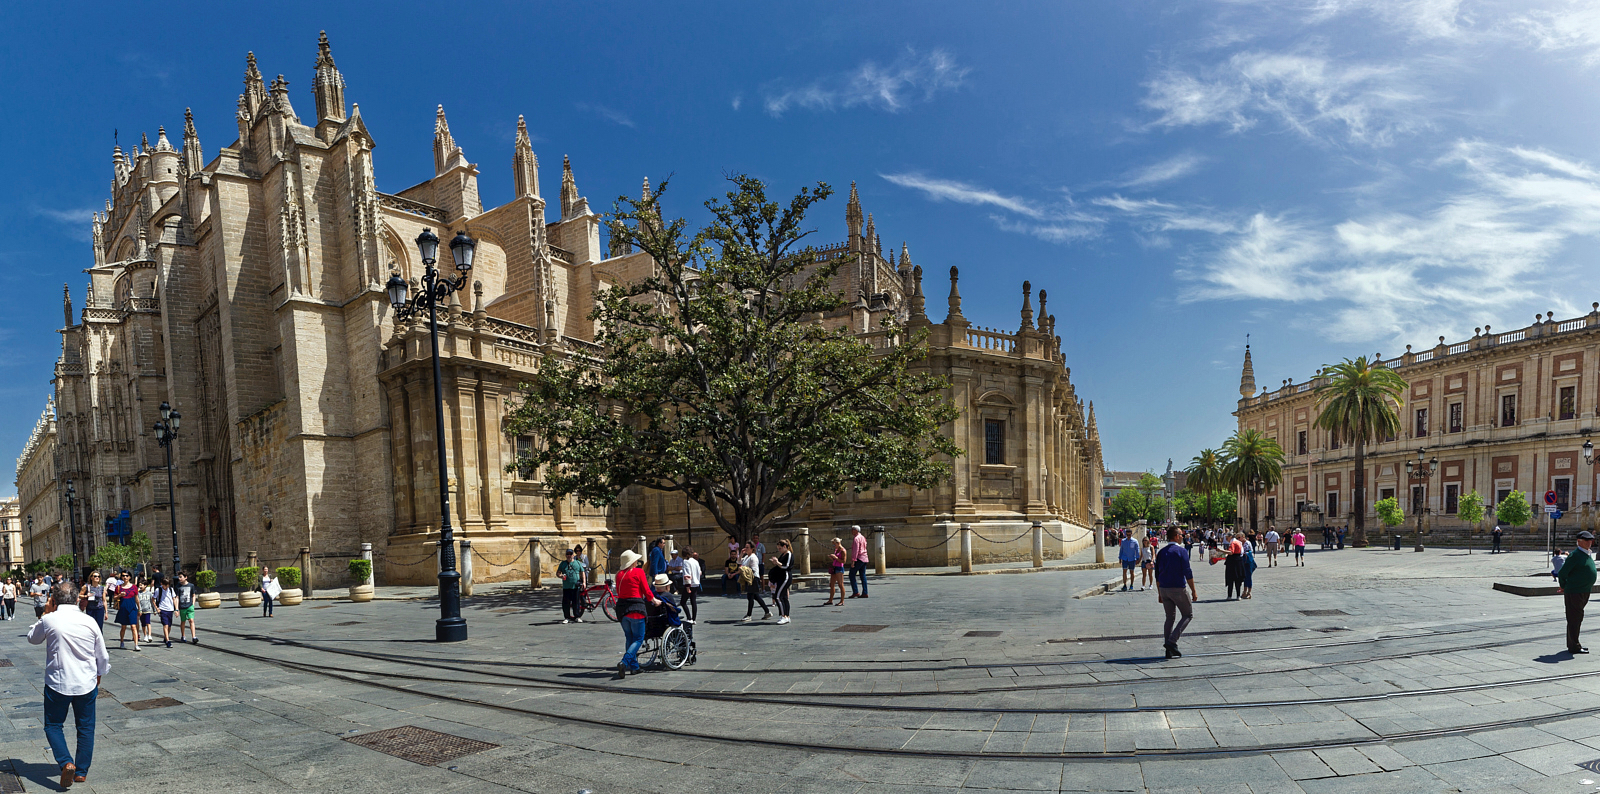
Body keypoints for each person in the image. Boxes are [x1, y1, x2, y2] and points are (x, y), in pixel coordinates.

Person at [29, 579, 109, 789]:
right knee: (85, 727)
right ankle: (81, 772)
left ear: (54, 599)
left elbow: (32, 638)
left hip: (58, 683)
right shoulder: (89, 621)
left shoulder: (50, 620)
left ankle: (66, 762)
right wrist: (100, 673)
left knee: (53, 725)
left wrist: (45, 613)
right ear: (76, 599)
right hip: (86, 681)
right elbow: (102, 653)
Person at [613, 549, 659, 676]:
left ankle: (634, 667)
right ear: (633, 562)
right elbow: (646, 590)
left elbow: (619, 591)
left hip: (622, 610)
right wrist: (654, 600)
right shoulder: (639, 572)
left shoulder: (618, 575)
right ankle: (624, 662)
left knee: (629, 637)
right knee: (638, 638)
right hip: (636, 609)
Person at [1154, 527, 1198, 659]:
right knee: (1188, 614)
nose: (1183, 536)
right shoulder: (1181, 551)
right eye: (1181, 534)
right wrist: (1193, 591)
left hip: (1164, 588)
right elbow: (1187, 572)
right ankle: (1172, 641)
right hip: (1178, 588)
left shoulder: (1161, 552)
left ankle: (1168, 649)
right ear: (1175, 536)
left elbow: (1157, 574)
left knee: (1169, 617)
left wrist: (1159, 593)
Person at [1558, 530, 1597, 655]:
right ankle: (1574, 646)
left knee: (1577, 618)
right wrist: (1564, 586)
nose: (1590, 542)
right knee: (1574, 619)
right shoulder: (1575, 555)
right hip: (1575, 591)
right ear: (1579, 541)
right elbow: (1562, 573)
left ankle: (1574, 644)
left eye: (1591, 540)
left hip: (1584, 590)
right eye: (1587, 540)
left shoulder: (1586, 554)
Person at [740, 542, 771, 622]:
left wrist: (745, 570)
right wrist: (741, 554)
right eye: (745, 547)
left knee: (750, 597)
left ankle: (749, 615)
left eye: (747, 547)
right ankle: (767, 611)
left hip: (753, 578)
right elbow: (739, 562)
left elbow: (754, 569)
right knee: (755, 596)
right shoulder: (747, 556)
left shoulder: (753, 557)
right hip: (749, 579)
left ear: (752, 548)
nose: (745, 549)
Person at [558, 548, 587, 624]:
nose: (569, 556)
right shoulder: (563, 564)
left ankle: (577, 616)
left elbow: (582, 572)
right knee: (566, 603)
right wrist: (561, 576)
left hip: (575, 586)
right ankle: (567, 617)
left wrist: (584, 582)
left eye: (570, 554)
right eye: (567, 554)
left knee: (576, 602)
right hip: (566, 586)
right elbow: (558, 573)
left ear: (573, 555)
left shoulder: (577, 563)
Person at [769, 539, 794, 625]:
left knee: (778, 596)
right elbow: (780, 565)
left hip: (785, 577)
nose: (779, 550)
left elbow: (786, 566)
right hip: (781, 577)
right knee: (783, 597)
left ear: (784, 547)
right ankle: (786, 616)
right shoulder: (783, 554)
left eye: (780, 548)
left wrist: (777, 562)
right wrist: (776, 563)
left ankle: (783, 616)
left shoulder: (789, 554)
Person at [113, 576, 140, 652]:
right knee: (123, 627)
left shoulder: (134, 587)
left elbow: (136, 598)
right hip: (123, 609)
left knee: (133, 626)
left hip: (132, 608)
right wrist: (120, 595)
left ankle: (136, 645)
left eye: (127, 576)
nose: (125, 577)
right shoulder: (119, 587)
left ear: (130, 577)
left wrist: (139, 609)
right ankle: (122, 641)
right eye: (123, 576)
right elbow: (114, 597)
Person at [847, 526, 870, 599]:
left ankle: (855, 591)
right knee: (863, 576)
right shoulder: (863, 537)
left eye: (852, 530)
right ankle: (865, 592)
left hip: (859, 558)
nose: (851, 531)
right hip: (865, 557)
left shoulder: (856, 538)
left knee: (851, 574)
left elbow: (855, 551)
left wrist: (853, 561)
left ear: (856, 530)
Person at [679, 547, 701, 625]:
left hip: (690, 583)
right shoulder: (696, 561)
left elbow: (687, 574)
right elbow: (699, 572)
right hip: (696, 583)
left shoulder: (686, 561)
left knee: (683, 602)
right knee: (693, 601)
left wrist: (687, 586)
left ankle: (689, 617)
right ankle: (694, 619)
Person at [154, 577, 178, 648]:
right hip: (163, 609)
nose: (166, 587)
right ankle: (168, 641)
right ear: (162, 584)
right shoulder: (158, 590)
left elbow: (174, 598)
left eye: (168, 585)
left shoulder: (171, 589)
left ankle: (165, 636)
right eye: (165, 585)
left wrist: (176, 609)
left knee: (169, 626)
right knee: (165, 625)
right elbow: (153, 599)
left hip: (170, 609)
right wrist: (157, 608)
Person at [175, 572, 198, 645]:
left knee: (191, 620)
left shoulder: (191, 585)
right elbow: (177, 597)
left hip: (190, 606)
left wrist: (193, 604)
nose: (179, 578)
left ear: (186, 577)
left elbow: (193, 595)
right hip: (182, 607)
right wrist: (177, 608)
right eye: (179, 577)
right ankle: (183, 635)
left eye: (181, 577)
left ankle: (194, 637)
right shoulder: (178, 586)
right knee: (183, 621)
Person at [1223, 532, 1246, 600]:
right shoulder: (1239, 542)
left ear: (1230, 537)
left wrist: (1222, 551)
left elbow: (1231, 552)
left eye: (1227, 538)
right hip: (1239, 561)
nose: (1226, 539)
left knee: (1230, 579)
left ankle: (1229, 596)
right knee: (1238, 579)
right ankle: (1238, 595)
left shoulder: (1233, 543)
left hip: (1232, 562)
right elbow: (1241, 552)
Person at [825, 537, 847, 606]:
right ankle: (830, 600)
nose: (834, 546)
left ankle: (842, 601)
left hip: (839, 568)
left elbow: (843, 561)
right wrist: (833, 558)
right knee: (832, 584)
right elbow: (836, 560)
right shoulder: (836, 550)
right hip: (834, 567)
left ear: (838, 543)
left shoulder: (843, 551)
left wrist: (836, 558)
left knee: (840, 584)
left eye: (834, 544)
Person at [135, 577, 155, 642]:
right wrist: (138, 609)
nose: (140, 586)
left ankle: (149, 635)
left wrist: (154, 610)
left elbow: (152, 602)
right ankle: (145, 635)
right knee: (143, 624)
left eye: (141, 585)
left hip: (147, 610)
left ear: (145, 585)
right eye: (139, 585)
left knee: (148, 623)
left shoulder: (149, 593)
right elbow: (137, 602)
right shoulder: (138, 593)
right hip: (141, 611)